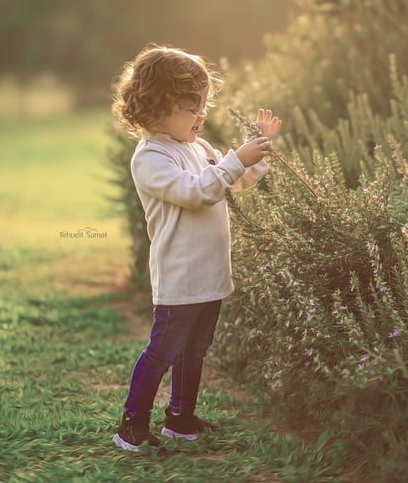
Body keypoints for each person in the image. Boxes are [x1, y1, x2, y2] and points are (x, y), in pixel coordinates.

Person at [110, 44, 281, 452]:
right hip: (180, 274)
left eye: (203, 105)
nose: (201, 115)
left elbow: (230, 180)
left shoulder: (198, 148)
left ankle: (180, 418)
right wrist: (235, 161)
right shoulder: (150, 158)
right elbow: (197, 192)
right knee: (164, 350)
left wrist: (253, 152)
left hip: (209, 272)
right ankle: (131, 425)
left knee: (196, 349)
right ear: (154, 110)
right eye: (190, 108)